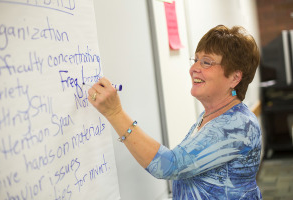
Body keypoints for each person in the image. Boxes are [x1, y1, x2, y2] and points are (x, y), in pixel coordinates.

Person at [88, 25, 262, 200]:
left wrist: (114, 112)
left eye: (206, 62)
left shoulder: (239, 124)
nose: (193, 68)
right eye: (195, 60)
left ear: (234, 78)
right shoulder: (210, 116)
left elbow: (170, 166)